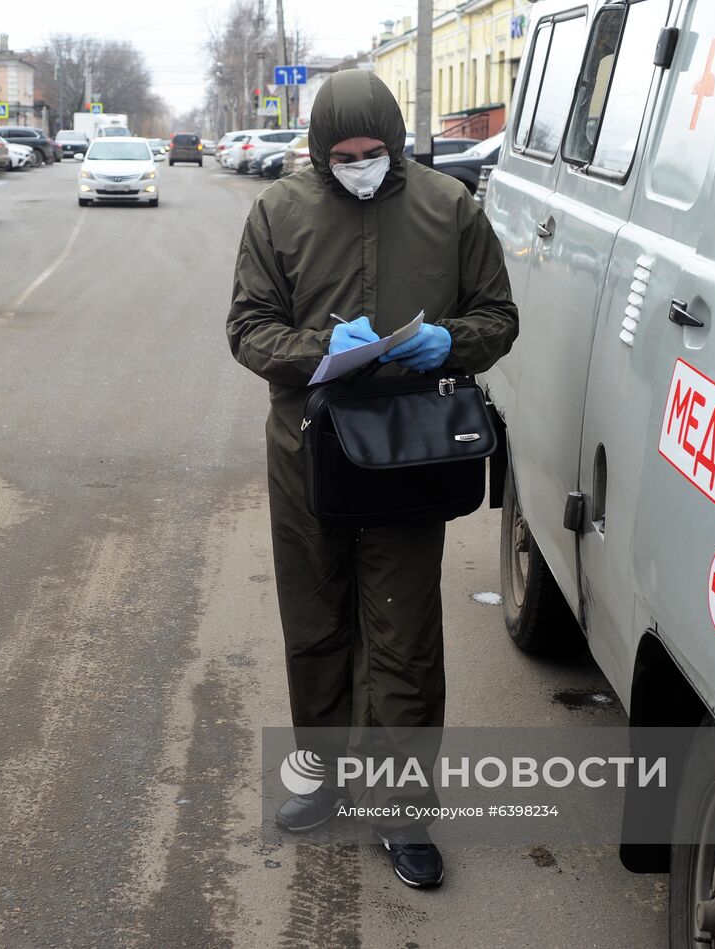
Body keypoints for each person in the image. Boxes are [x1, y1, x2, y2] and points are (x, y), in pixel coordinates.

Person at [226, 69, 519, 889]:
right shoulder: (279, 211)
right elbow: (248, 328)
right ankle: (319, 782)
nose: (363, 165)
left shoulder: (448, 207)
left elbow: (499, 317)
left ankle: (400, 811)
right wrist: (319, 352)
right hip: (309, 450)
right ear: (320, 154)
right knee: (316, 623)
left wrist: (450, 344)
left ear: (397, 142)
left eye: (377, 152)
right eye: (345, 155)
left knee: (403, 635)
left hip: (407, 451)